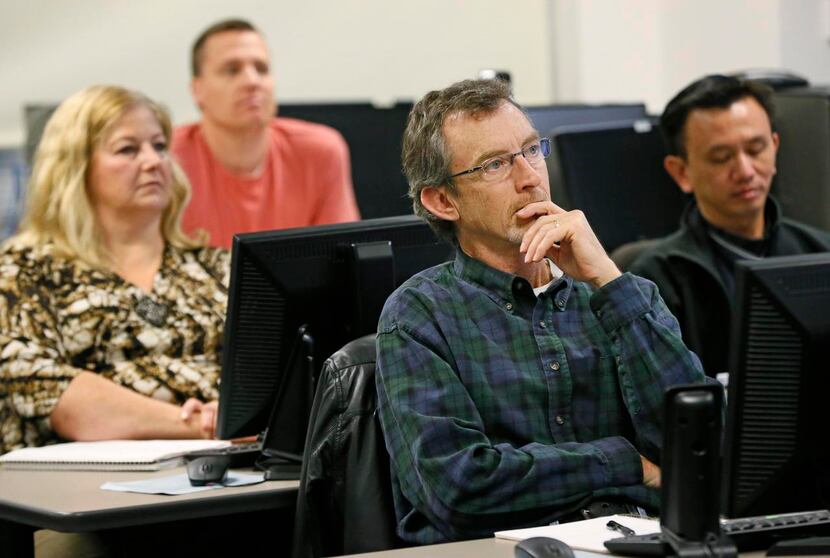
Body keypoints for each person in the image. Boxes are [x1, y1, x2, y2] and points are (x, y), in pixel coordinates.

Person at [375, 78, 711, 544]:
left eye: (532, 150)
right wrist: (624, 463)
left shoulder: (620, 294)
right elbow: (459, 487)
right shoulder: (418, 315)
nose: (530, 177)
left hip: (638, 542)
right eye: (495, 164)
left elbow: (699, 450)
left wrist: (608, 281)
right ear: (442, 200)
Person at [0, 85, 228, 458]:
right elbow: (49, 391)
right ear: (76, 167)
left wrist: (231, 417)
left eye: (159, 146)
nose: (153, 161)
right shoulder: (23, 273)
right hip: (83, 497)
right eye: (128, 149)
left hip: (227, 478)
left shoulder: (217, 267)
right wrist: (196, 424)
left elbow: (273, 380)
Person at [629, 75, 830, 377]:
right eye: (721, 158)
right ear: (681, 172)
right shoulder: (657, 280)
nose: (746, 171)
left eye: (756, 149)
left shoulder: (821, 253)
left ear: (775, 148)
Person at [172, 18, 360, 249]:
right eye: (231, 70)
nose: (252, 81)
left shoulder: (321, 151)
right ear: (197, 90)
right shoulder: (166, 159)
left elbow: (344, 260)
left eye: (261, 69)